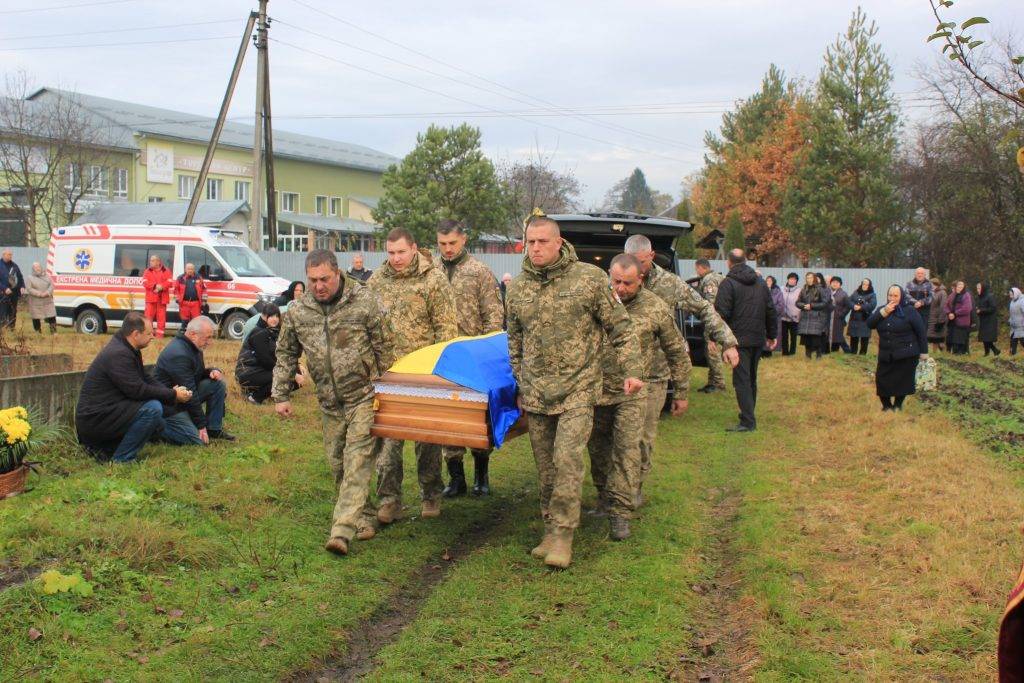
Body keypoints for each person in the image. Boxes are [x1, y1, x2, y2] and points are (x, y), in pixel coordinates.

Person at [507, 216, 642, 568]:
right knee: (546, 468)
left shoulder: (590, 279)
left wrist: (632, 370)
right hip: (537, 394)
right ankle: (550, 530)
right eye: (530, 242)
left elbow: (621, 328)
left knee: (567, 460)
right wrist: (521, 384)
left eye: (542, 241)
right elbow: (514, 340)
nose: (535, 248)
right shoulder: (518, 287)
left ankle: (564, 536)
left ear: (558, 242)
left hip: (578, 390)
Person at [274, 249, 388, 555]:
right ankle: (363, 516)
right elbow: (286, 353)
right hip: (328, 401)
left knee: (357, 460)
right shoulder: (299, 310)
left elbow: (384, 347)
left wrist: (390, 390)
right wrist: (281, 394)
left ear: (338, 273)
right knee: (338, 464)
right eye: (312, 280)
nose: (319, 285)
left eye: (324, 278)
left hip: (365, 395)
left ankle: (341, 531)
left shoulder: (364, 300)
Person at [623, 234, 737, 500]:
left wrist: (728, 341)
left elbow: (705, 309)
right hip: (620, 375)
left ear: (651, 256)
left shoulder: (669, 284)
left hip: (653, 375)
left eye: (640, 263)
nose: (636, 269)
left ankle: (633, 489)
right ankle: (614, 491)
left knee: (642, 437)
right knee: (617, 438)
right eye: (631, 263)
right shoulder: (617, 283)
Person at [588, 254, 690, 540]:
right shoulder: (597, 302)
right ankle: (604, 498)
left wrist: (681, 391)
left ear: (640, 279)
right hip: (598, 390)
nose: (620, 288)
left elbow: (676, 352)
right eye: (616, 281)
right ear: (609, 274)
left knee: (627, 450)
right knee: (598, 450)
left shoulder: (655, 308)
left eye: (628, 283)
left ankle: (621, 513)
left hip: (632, 393)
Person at [367, 228, 458, 524]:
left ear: (415, 248)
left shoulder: (433, 279)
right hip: (388, 374)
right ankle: (389, 499)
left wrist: (441, 373)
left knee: (426, 439)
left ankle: (431, 494)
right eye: (390, 253)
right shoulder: (377, 281)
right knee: (388, 442)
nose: (396, 259)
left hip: (424, 373)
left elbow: (446, 329)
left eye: (401, 252)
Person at [436, 220, 504, 497]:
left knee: (477, 419)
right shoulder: (433, 272)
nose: (448, 249)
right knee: (447, 420)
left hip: (474, 357)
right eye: (442, 244)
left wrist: (490, 353)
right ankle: (455, 478)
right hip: (442, 358)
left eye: (452, 243)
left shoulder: (479, 272)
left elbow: (494, 315)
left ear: (463, 239)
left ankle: (481, 476)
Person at [75, 312, 192, 462]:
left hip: (108, 412)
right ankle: (122, 458)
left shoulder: (127, 347)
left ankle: (111, 449)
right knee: (153, 409)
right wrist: (173, 395)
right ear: (136, 334)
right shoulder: (119, 354)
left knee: (159, 421)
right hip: (96, 420)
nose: (153, 336)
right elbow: (138, 390)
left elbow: (145, 377)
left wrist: (170, 392)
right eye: (149, 333)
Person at [714, 249, 778, 432]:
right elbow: (770, 310)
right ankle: (749, 414)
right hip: (757, 338)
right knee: (751, 378)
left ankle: (748, 421)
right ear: (745, 260)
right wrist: (772, 335)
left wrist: (715, 338)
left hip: (737, 340)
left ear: (729, 262)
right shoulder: (760, 282)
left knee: (741, 380)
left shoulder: (728, 283)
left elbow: (720, 313)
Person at [154, 316, 235, 444]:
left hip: (184, 397)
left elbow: (196, 374)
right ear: (192, 334)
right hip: (169, 405)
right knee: (197, 440)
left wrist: (211, 372)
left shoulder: (193, 346)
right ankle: (155, 430)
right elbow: (190, 392)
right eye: (207, 337)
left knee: (217, 384)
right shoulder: (179, 354)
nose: (210, 342)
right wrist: (200, 426)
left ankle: (214, 429)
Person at [867, 285, 927, 411]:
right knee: (882, 380)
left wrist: (924, 352)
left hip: (907, 353)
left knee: (902, 381)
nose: (892, 298)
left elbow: (921, 332)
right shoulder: (882, 309)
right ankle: (887, 406)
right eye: (890, 295)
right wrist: (884, 312)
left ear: (901, 296)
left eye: (895, 296)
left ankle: (898, 406)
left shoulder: (910, 311)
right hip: (886, 353)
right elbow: (870, 324)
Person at [236, 303, 305, 404]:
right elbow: (266, 361)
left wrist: (296, 366)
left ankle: (274, 393)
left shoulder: (273, 332)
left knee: (296, 373)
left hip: (260, 370)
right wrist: (291, 374)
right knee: (285, 375)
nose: (275, 319)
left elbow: (280, 355)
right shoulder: (259, 333)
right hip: (248, 373)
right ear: (264, 316)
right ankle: (255, 397)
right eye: (271, 316)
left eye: (277, 316)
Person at [694, 259, 727, 393]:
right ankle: (711, 382)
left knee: (712, 351)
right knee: (710, 352)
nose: (697, 272)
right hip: (720, 319)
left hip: (713, 320)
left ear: (701, 268)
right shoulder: (718, 277)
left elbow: (710, 304)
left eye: (697, 269)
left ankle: (718, 384)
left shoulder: (709, 280)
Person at [797, 273, 827, 359]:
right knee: (806, 338)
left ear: (814, 279)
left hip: (816, 317)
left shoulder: (820, 289)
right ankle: (808, 355)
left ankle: (818, 355)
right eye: (807, 278)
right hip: (805, 317)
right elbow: (797, 302)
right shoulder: (803, 289)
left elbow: (824, 303)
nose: (809, 279)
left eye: (810, 278)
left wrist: (812, 306)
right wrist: (803, 305)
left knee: (816, 338)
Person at [142, 255, 172, 338]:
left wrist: (161, 287)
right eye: (151, 260)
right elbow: (145, 282)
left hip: (162, 298)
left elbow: (169, 282)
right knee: (148, 317)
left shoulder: (166, 271)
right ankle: (149, 334)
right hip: (151, 298)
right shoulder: (147, 271)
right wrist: (155, 286)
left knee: (161, 318)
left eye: (153, 260)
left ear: (158, 262)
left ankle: (160, 335)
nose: (151, 262)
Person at [173, 263, 207, 333]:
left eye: (191, 269)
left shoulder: (199, 277)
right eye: (188, 269)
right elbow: (176, 290)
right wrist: (178, 299)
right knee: (184, 321)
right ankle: (183, 335)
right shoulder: (180, 278)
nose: (190, 270)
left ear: (194, 270)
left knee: (196, 321)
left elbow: (204, 289)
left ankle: (195, 335)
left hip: (196, 303)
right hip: (184, 303)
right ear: (185, 269)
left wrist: (204, 301)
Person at [25, 262, 57, 334]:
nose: (37, 268)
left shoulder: (47, 276)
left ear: (41, 267)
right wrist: (39, 294)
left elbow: (52, 285)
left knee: (51, 315)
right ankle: (38, 333)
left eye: (38, 267)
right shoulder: (30, 278)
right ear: (33, 269)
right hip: (35, 301)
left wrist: (47, 292)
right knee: (36, 317)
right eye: (35, 267)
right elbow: (29, 289)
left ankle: (54, 332)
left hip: (47, 300)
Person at [847, 279, 876, 355]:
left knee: (864, 338)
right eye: (863, 284)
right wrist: (854, 306)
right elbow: (848, 301)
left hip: (865, 319)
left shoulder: (872, 294)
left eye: (867, 284)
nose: (865, 286)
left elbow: (872, 305)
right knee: (854, 337)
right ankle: (852, 353)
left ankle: (862, 355)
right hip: (854, 318)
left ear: (869, 285)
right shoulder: (856, 292)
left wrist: (861, 307)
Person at [945, 280, 974, 355]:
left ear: (964, 287)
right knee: (952, 337)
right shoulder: (952, 295)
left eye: (961, 287)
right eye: (958, 286)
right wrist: (949, 313)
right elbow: (946, 305)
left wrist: (955, 313)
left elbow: (967, 308)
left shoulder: (966, 295)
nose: (959, 288)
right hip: (952, 320)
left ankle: (961, 353)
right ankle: (954, 352)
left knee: (960, 338)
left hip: (962, 321)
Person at [0, 248, 26, 329]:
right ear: (3, 255)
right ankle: (3, 330)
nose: (10, 256)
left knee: (13, 311)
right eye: (9, 254)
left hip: (14, 293)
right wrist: (4, 288)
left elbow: (20, 277)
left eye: (11, 255)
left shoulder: (14, 266)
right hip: (2, 293)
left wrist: (22, 286)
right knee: (3, 312)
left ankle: (12, 329)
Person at [828, 276, 852, 353]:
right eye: (833, 282)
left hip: (838, 318)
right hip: (828, 318)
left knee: (837, 335)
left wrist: (841, 314)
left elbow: (848, 306)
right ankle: (826, 349)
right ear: (830, 283)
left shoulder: (844, 294)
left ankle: (836, 350)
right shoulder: (827, 292)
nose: (835, 284)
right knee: (827, 333)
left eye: (837, 283)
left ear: (840, 284)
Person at [779, 272, 801, 356]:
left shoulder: (799, 290)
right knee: (784, 335)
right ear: (788, 280)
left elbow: (800, 302)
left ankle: (792, 352)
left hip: (794, 317)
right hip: (783, 317)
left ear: (796, 281)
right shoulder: (781, 289)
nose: (792, 281)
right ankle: (785, 352)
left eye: (794, 279)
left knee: (793, 336)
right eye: (790, 279)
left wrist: (796, 313)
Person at [762, 275, 784, 357]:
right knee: (763, 334)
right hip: (763, 317)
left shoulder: (778, 292)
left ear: (773, 282)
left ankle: (769, 351)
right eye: (767, 281)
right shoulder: (762, 291)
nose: (768, 282)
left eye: (770, 281)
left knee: (771, 334)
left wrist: (771, 312)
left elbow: (781, 306)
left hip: (773, 318)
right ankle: (763, 351)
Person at [976, 282, 1001, 356]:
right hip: (983, 320)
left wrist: (981, 310)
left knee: (987, 338)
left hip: (990, 321)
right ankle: (990, 352)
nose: (977, 290)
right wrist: (978, 310)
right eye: (977, 288)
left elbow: (993, 308)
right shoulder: (981, 297)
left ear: (983, 288)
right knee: (984, 338)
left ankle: (993, 351)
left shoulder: (990, 296)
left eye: (979, 288)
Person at [927, 278, 948, 354]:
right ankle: (934, 354)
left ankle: (945, 354)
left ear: (936, 284)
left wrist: (941, 320)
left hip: (939, 318)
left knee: (941, 339)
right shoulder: (933, 292)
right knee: (934, 338)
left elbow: (943, 306)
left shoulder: (942, 293)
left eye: (931, 285)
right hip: (932, 318)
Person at [815, 272, 832, 354]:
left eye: (818, 278)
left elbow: (826, 301)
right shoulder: (811, 288)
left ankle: (823, 350)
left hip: (823, 313)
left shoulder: (826, 288)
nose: (816, 280)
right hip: (813, 313)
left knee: (823, 332)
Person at [1010, 288, 1024, 356]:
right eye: (1010, 295)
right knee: (1013, 341)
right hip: (1014, 326)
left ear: (1016, 293)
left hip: (1021, 326)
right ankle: (1013, 355)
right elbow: (1012, 313)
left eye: (1012, 294)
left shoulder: (1022, 301)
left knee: (1022, 341)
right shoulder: (1012, 301)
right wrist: (1010, 320)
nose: (1010, 296)